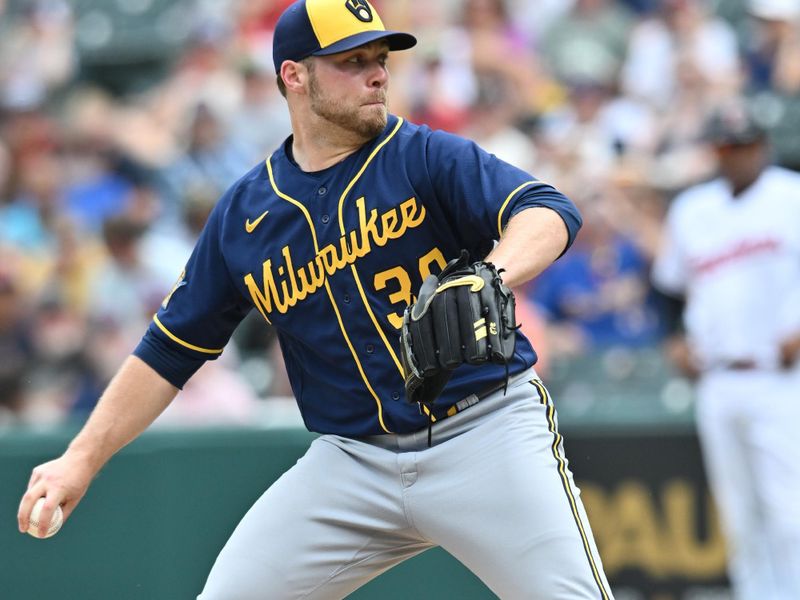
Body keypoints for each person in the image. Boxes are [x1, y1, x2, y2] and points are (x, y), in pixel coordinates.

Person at [17, 1, 613, 598]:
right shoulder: (246, 213)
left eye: (380, 59)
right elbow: (169, 349)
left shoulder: (424, 156)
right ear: (293, 76)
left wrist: (491, 271)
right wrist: (80, 458)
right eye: (353, 61)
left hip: (483, 432)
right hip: (354, 463)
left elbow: (547, 209)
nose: (378, 74)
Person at [652, 98, 800, 600]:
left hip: (782, 378)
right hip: (716, 380)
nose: (734, 154)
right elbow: (667, 289)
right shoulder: (694, 210)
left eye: (743, 144)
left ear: (763, 145)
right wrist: (674, 339)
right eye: (725, 146)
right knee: (740, 517)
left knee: (790, 514)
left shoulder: (792, 196)